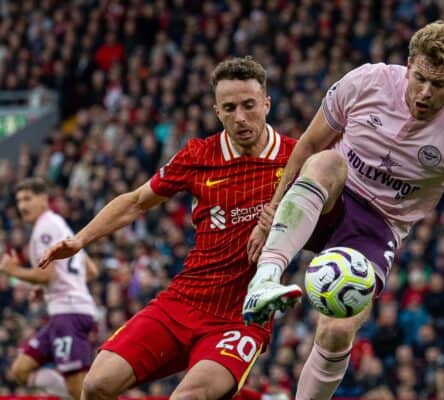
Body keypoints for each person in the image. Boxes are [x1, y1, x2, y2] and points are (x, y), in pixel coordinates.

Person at [242, 20, 444, 400]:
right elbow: (306, 146)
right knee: (327, 163)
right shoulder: (366, 82)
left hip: (377, 229)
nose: (423, 92)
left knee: (337, 331)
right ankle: (266, 279)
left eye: (438, 85)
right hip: (329, 196)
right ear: (408, 64)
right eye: (418, 77)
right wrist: (271, 213)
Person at [38, 57, 296, 400]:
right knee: (97, 384)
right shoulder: (198, 155)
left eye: (249, 105)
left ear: (266, 103)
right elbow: (135, 201)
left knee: (188, 397)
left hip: (242, 316)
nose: (240, 117)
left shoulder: (295, 159)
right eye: (229, 108)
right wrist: (80, 239)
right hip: (183, 301)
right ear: (217, 112)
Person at [1, 178, 98, 399]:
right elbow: (91, 270)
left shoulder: (44, 228)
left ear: (44, 199)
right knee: (20, 370)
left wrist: (12, 270)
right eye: (19, 200)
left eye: (28, 198)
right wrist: (46, 288)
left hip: (69, 314)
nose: (22, 205)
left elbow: (47, 274)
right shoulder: (60, 225)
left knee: (76, 385)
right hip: (64, 312)